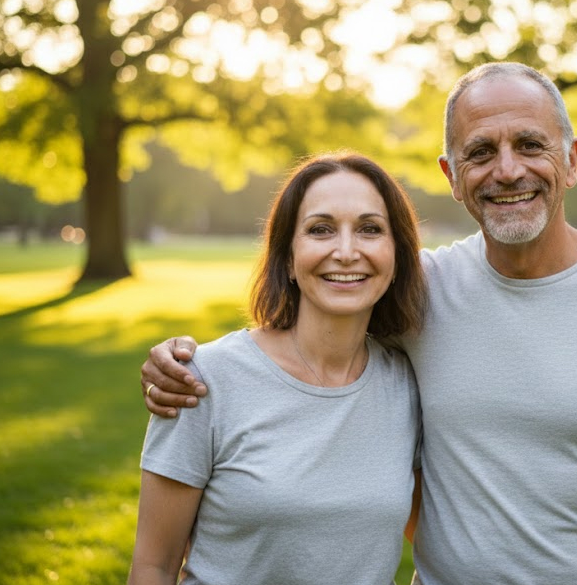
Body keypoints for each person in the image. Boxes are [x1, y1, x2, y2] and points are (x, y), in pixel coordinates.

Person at [141, 62, 577, 585]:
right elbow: (302, 337)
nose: (507, 170)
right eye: (480, 152)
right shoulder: (417, 291)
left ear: (570, 158)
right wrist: (177, 362)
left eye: (529, 144)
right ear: (451, 174)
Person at [128, 152, 429, 585]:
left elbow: (438, 540)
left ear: (397, 253)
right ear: (287, 257)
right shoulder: (200, 381)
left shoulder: (407, 386)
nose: (346, 252)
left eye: (369, 229)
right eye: (320, 229)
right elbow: (153, 566)